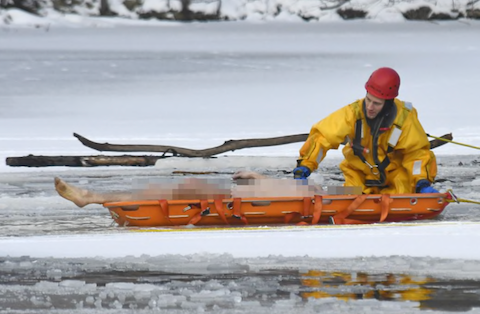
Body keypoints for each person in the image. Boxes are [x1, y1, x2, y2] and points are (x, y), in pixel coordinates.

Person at [292, 67, 439, 195]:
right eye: (368, 99)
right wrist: (305, 165)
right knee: (347, 197)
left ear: (388, 102)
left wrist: (421, 182)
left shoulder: (404, 119)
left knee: (403, 194)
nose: (369, 107)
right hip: (359, 176)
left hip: (395, 178)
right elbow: (323, 137)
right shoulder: (352, 113)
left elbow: (416, 154)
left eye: (376, 103)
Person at [54, 171, 324, 208]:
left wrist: (256, 179)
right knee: (166, 189)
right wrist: (255, 176)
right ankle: (91, 197)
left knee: (172, 191)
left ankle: (91, 197)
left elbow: (272, 196)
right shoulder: (305, 189)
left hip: (230, 198)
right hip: (233, 193)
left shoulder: (312, 196)